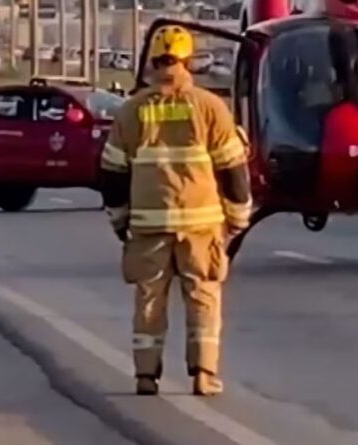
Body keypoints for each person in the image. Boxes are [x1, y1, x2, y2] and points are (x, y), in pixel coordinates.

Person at [98, 25, 252, 396]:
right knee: (203, 296)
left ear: (152, 61)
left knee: (150, 300)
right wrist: (239, 217)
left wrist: (119, 222)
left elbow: (112, 173)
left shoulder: (132, 111)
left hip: (149, 225)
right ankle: (203, 374)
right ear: (188, 62)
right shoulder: (210, 108)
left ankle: (146, 376)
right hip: (202, 225)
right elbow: (233, 170)